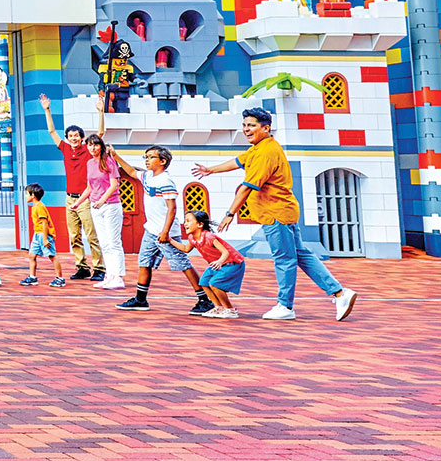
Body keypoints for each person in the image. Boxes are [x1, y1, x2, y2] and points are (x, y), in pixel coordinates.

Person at [193, 107, 357, 321]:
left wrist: (229, 213)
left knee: (285, 259)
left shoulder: (266, 153)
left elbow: (246, 187)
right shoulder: (260, 148)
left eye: (251, 125)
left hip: (276, 214)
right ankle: (339, 292)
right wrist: (210, 170)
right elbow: (237, 161)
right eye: (244, 125)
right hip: (281, 212)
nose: (246, 129)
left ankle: (285, 305)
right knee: (302, 256)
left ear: (266, 127)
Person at [116, 146, 210, 314]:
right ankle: (140, 299)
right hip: (151, 230)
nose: (146, 160)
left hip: (165, 232)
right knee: (144, 263)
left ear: (162, 161)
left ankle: (204, 300)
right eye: (146, 156)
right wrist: (116, 156)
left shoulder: (165, 181)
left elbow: (172, 208)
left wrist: (165, 232)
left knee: (182, 263)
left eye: (151, 157)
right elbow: (130, 172)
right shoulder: (147, 176)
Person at [39, 94, 104, 280]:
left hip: (86, 199)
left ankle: (99, 268)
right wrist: (47, 110)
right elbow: (52, 132)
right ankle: (82, 266)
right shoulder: (65, 148)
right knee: (74, 235)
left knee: (91, 235)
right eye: (71, 136)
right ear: (67, 138)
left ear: (82, 138)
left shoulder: (88, 149)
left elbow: (100, 134)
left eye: (77, 136)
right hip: (70, 198)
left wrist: (101, 113)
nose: (73, 138)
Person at [75, 134, 128, 290]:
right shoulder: (90, 163)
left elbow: (114, 185)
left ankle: (118, 277)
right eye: (90, 145)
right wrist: (78, 202)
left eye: (96, 145)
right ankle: (109, 275)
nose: (93, 148)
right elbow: (90, 187)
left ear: (101, 146)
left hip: (110, 206)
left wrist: (102, 200)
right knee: (104, 243)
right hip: (95, 206)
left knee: (114, 242)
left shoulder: (109, 161)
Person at [176, 210, 245, 319]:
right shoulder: (192, 238)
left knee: (214, 284)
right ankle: (218, 307)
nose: (185, 224)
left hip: (232, 262)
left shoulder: (209, 236)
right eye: (185, 221)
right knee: (204, 282)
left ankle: (230, 309)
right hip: (217, 264)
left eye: (188, 221)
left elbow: (225, 252)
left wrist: (219, 261)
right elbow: (185, 248)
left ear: (200, 224)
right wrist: (169, 240)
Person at [20, 183, 68, 287]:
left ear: (33, 195)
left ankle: (60, 278)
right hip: (37, 234)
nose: (25, 196)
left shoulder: (39, 207)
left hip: (43, 235)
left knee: (52, 256)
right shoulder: (35, 207)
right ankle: (32, 277)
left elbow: (44, 222)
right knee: (32, 255)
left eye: (27, 193)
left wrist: (45, 239)